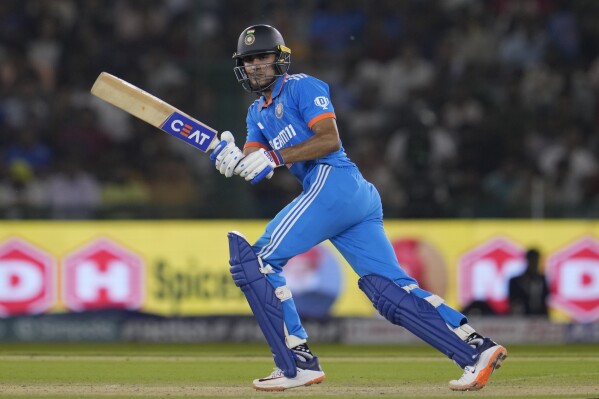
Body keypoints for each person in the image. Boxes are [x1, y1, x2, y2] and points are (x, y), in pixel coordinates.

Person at [210, 24, 507, 392]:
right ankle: (476, 350)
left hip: (334, 181)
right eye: (249, 60)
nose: (255, 66)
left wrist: (272, 157)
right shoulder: (256, 113)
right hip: (349, 199)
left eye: (262, 57)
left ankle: (295, 363)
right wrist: (231, 159)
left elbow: (329, 139)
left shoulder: (303, 86)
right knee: (388, 290)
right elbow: (257, 167)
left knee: (255, 262)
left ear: (280, 59)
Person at [508, 248, 549, 316]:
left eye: (536, 260)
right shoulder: (516, 281)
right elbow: (514, 302)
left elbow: (545, 298)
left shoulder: (542, 279)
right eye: (532, 259)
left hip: (541, 318)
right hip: (523, 318)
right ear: (527, 260)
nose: (534, 263)